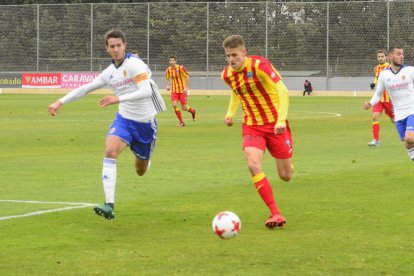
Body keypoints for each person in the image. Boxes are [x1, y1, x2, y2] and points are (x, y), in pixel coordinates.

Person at [48, 29, 166, 220]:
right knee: (110, 151)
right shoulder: (109, 73)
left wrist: (117, 98)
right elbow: (85, 88)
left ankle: (145, 157)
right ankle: (109, 205)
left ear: (124, 45)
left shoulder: (135, 64)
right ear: (107, 48)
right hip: (124, 121)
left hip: (145, 124)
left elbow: (145, 91)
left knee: (140, 171)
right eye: (112, 46)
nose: (116, 49)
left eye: (119, 45)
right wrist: (60, 101)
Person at [221, 35, 293, 229]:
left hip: (275, 125)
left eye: (234, 55)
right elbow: (236, 92)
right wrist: (230, 113)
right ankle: (275, 213)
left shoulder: (260, 65)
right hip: (252, 126)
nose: (231, 60)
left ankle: (289, 162)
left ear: (244, 52)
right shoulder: (227, 74)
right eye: (228, 56)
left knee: (286, 175)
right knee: (253, 165)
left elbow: (283, 91)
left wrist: (280, 120)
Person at [364, 47, 414, 161]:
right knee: (407, 144)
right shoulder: (384, 75)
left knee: (410, 138)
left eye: (402, 54)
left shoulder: (410, 71)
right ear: (391, 56)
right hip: (399, 115)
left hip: (412, 111)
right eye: (398, 54)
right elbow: (378, 94)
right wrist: (370, 103)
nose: (402, 56)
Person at [367, 49, 394, 147]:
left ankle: (409, 135)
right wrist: (374, 84)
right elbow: (377, 79)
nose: (380, 58)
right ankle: (376, 140)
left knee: (395, 120)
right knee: (375, 117)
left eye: (382, 56)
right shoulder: (376, 68)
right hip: (378, 99)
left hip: (389, 99)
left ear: (386, 57)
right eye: (379, 57)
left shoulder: (390, 67)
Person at [165, 55, 196, 127]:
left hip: (182, 90)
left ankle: (193, 111)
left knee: (184, 108)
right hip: (174, 90)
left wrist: (186, 87)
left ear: (175, 61)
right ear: (169, 62)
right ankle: (182, 122)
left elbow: (187, 77)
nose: (172, 62)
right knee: (174, 105)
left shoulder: (180, 68)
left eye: (173, 60)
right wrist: (167, 85)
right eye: (170, 60)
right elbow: (167, 78)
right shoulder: (168, 70)